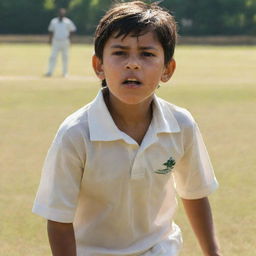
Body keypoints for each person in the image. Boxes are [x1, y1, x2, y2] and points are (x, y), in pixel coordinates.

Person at [33, 1, 222, 255]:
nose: (133, 64)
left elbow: (195, 192)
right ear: (99, 66)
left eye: (147, 54)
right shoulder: (76, 133)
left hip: (159, 248)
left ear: (168, 69)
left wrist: (214, 253)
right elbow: (58, 219)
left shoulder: (181, 124)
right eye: (120, 52)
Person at [45, 8, 76, 77]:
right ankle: (49, 72)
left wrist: (70, 39)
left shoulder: (67, 21)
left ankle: (65, 73)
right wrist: (50, 40)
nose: (61, 14)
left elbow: (73, 30)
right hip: (56, 41)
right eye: (60, 13)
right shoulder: (54, 21)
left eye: (63, 13)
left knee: (65, 57)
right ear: (58, 13)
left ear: (64, 14)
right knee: (53, 57)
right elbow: (50, 31)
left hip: (65, 41)